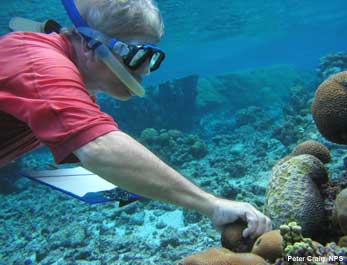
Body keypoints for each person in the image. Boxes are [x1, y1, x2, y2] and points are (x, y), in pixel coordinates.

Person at [0, 0, 271, 239]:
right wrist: (210, 204)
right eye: (135, 54)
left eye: (151, 57)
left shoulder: (62, 75)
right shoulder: (39, 63)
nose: (144, 70)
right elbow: (98, 147)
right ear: (88, 43)